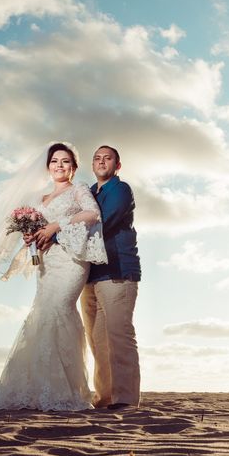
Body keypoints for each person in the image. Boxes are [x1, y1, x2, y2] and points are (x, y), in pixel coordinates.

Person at [0, 142, 107, 411]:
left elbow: (92, 214)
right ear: (48, 167)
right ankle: (38, 385)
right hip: (46, 264)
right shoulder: (41, 199)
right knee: (41, 313)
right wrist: (32, 237)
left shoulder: (79, 190)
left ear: (74, 167)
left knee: (59, 310)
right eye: (54, 162)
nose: (59, 166)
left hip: (70, 262)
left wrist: (56, 225)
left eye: (65, 161)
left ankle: (66, 389)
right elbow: (40, 232)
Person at [79, 145, 142, 410]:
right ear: (92, 165)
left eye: (107, 158)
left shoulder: (120, 190)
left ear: (117, 165)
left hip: (116, 271)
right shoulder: (89, 194)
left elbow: (101, 223)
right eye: (97, 158)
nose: (101, 161)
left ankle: (125, 400)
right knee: (98, 341)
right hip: (90, 276)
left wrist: (58, 233)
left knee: (119, 336)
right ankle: (105, 398)